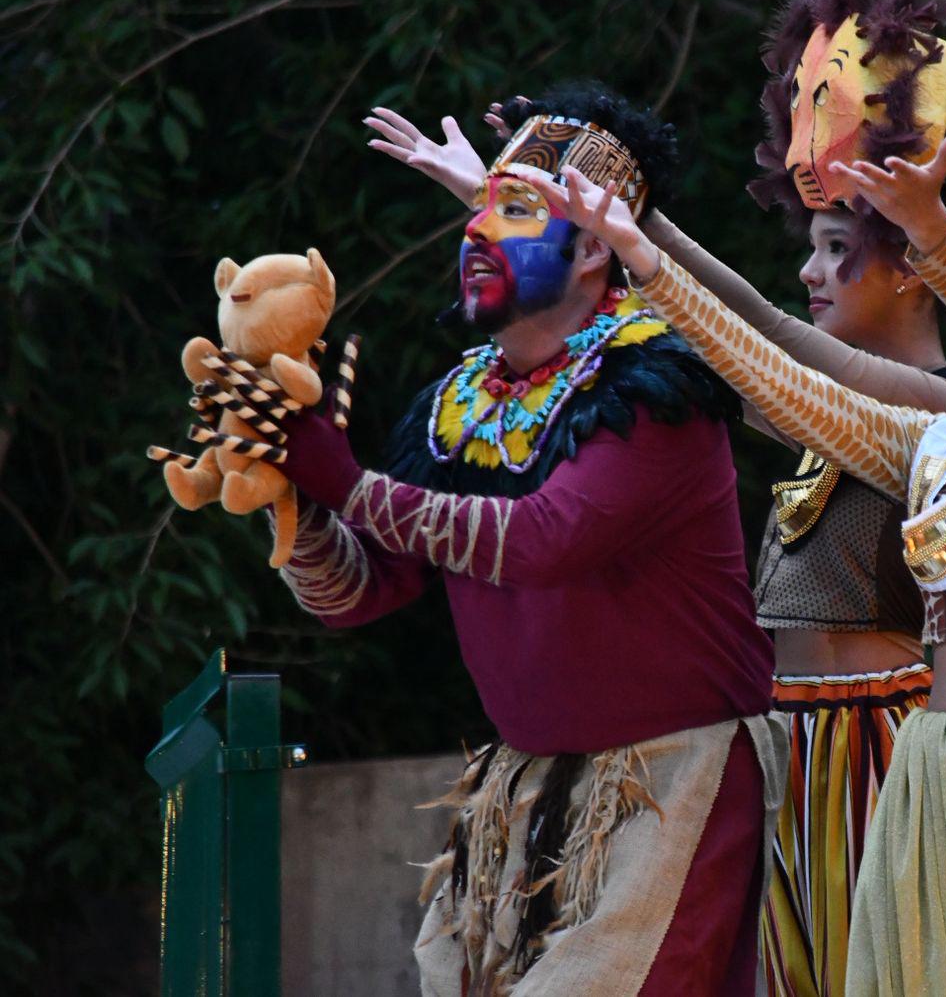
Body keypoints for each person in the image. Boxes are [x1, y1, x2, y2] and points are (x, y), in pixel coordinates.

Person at [363, 0, 946, 992]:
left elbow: (757, 338)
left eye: (841, 248)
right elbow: (645, 326)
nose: (809, 268)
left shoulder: (940, 413)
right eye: (813, 243)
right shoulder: (773, 397)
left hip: (880, 775)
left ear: (918, 270)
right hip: (796, 773)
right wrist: (548, 204)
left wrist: (621, 222)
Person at [530, 62, 946, 995]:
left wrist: (937, 236)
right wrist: (639, 256)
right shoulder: (942, 443)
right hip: (925, 782)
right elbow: (776, 378)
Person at [265, 83, 785, 995]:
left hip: (676, 786)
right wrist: (287, 499)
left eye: (511, 212)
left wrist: (344, 481)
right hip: (524, 794)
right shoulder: (464, 398)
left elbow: (541, 541)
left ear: (593, 248)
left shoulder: (655, 388)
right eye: (477, 210)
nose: (472, 231)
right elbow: (366, 592)